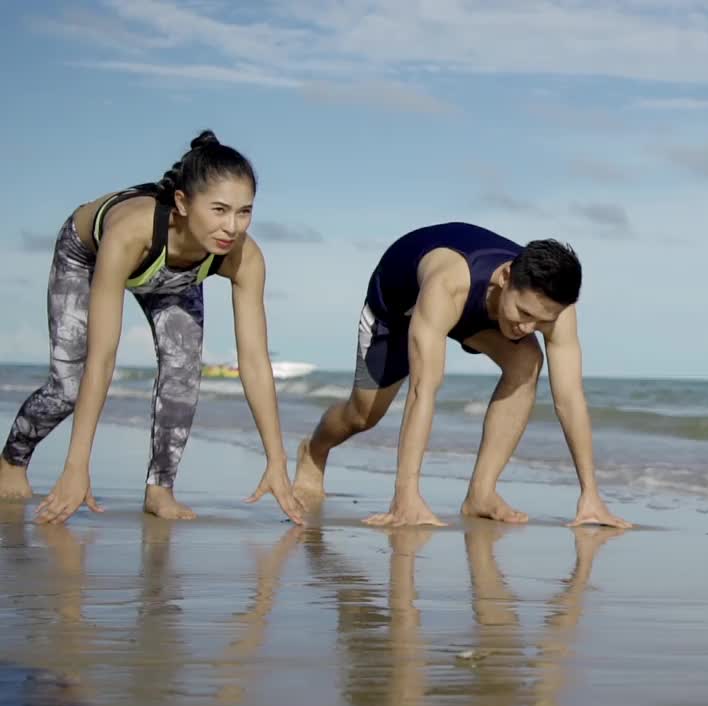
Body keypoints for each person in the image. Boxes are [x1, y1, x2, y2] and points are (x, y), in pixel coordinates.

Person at [0, 130, 305, 525]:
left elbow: (254, 361)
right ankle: (12, 460)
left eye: (244, 211)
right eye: (219, 210)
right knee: (67, 387)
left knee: (183, 373)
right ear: (182, 202)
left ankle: (160, 489)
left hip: (175, 277)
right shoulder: (130, 233)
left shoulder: (243, 257)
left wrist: (277, 461)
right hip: (87, 255)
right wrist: (77, 467)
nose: (232, 226)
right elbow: (104, 354)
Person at [291, 222, 631, 529]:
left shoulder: (555, 308)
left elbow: (570, 399)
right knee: (363, 415)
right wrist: (405, 496)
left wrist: (591, 495)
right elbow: (424, 390)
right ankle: (313, 451)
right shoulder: (448, 284)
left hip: (477, 312)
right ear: (505, 276)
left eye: (542, 321)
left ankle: (481, 494)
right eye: (524, 312)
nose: (529, 327)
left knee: (526, 360)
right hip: (397, 307)